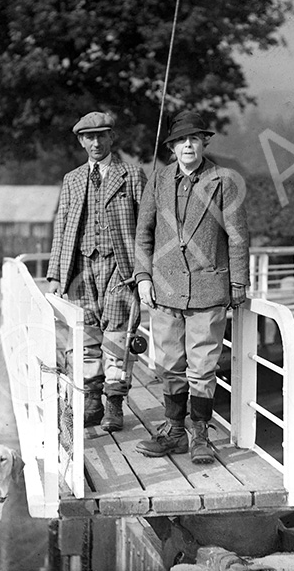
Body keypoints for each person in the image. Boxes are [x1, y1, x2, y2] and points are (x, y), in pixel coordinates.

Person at [133, 110, 249, 464]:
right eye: (181, 140)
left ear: (203, 143)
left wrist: (238, 283)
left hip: (207, 290)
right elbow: (144, 234)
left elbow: (238, 236)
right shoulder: (159, 180)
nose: (188, 145)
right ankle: (174, 430)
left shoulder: (223, 181)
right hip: (165, 290)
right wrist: (143, 277)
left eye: (194, 139)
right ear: (171, 147)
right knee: (168, 364)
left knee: (202, 366)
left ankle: (200, 434)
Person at [47, 111, 147, 432]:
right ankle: (92, 402)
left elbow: (147, 228)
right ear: (80, 141)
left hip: (121, 267)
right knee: (86, 334)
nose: (95, 142)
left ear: (111, 138)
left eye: (101, 135)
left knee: (118, 333)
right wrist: (55, 273)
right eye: (89, 137)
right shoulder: (72, 179)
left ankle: (114, 404)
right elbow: (61, 227)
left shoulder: (131, 175)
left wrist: (144, 271)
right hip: (81, 267)